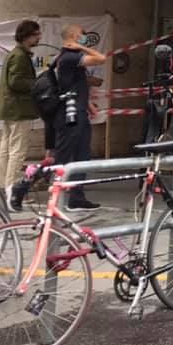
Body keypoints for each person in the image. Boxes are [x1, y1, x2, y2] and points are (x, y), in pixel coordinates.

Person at [54, 23, 107, 211]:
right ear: (75, 36)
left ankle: (77, 197)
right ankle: (50, 192)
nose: (84, 36)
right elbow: (101, 58)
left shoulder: (70, 57)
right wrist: (82, 47)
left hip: (79, 110)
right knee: (64, 154)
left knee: (82, 155)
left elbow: (75, 84)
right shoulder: (70, 56)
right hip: (71, 113)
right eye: (82, 34)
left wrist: (88, 104)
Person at [0, 19, 41, 211]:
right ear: (27, 36)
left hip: (10, 109)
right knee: (17, 151)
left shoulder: (15, 54)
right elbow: (16, 82)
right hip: (18, 109)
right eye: (36, 34)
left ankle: (1, 189)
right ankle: (12, 192)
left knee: (5, 150)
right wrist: (37, 83)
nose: (39, 37)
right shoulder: (20, 56)